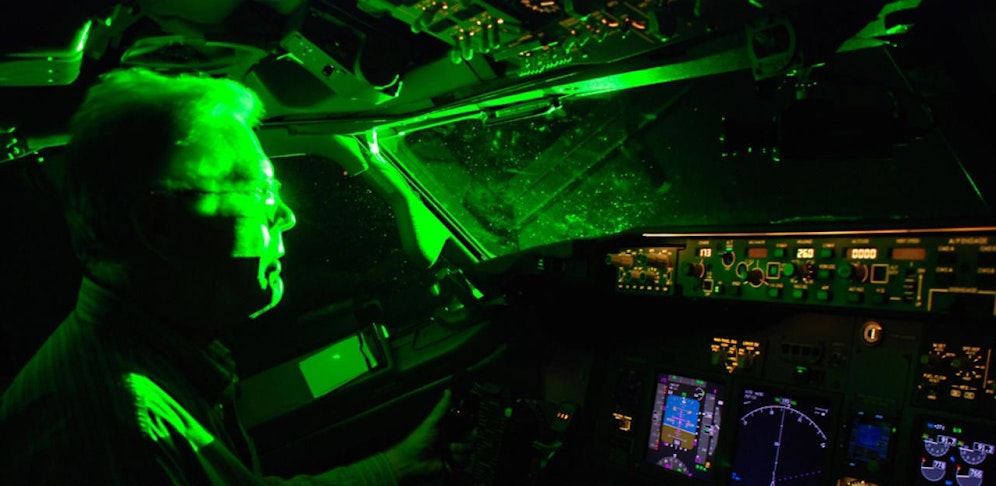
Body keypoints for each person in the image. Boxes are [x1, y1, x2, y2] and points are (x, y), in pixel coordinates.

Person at [0, 67, 466, 484]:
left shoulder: (149, 364)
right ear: (159, 226)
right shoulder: (119, 433)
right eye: (262, 191)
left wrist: (396, 469)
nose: (286, 217)